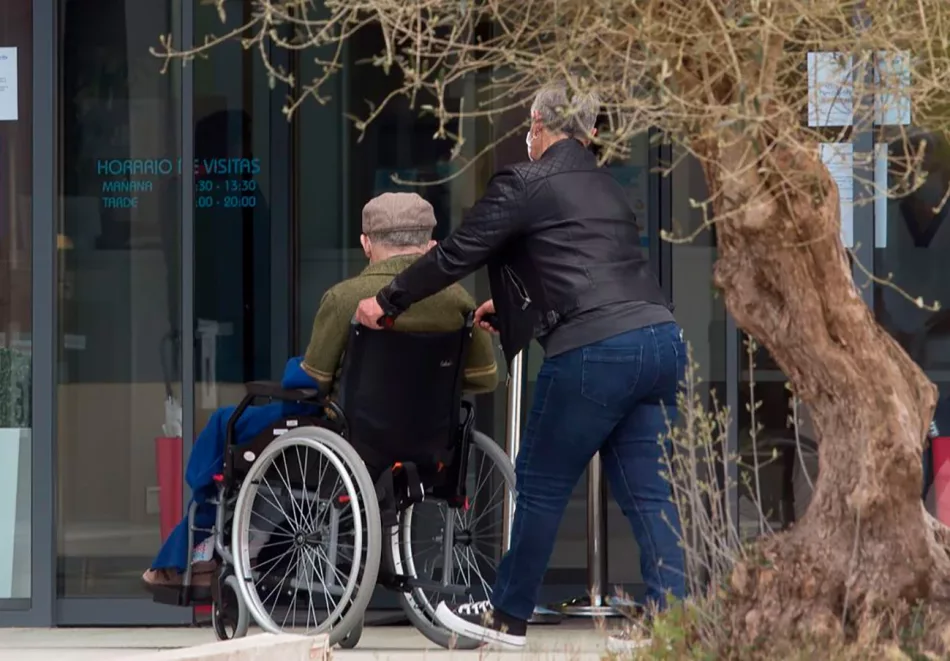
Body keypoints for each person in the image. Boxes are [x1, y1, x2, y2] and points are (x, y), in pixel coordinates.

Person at [355, 84, 687, 649]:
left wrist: (387, 302)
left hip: (594, 351)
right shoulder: (606, 187)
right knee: (651, 495)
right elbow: (579, 265)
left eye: (529, 127)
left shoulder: (525, 181)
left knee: (538, 486)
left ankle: (506, 616)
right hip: (658, 341)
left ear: (537, 125)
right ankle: (675, 620)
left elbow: (458, 252)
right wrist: (507, 314)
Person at [143, 192, 498, 596]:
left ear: (366, 243)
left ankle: (198, 548)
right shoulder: (458, 301)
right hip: (430, 444)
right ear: (432, 245)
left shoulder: (347, 298)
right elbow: (483, 379)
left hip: (349, 440)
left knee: (228, 425)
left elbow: (311, 384)